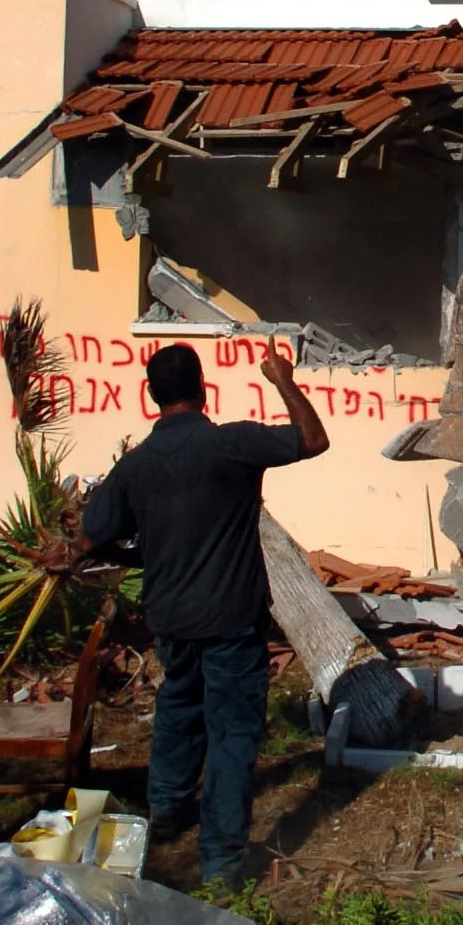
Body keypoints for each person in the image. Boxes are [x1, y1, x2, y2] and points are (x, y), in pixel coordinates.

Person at [81, 342, 327, 885]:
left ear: (151, 394)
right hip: (230, 619)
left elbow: (91, 536)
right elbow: (313, 439)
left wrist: (138, 555)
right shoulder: (231, 444)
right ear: (203, 388)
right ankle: (221, 860)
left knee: (179, 705)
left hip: (171, 618)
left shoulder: (135, 466)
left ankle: (167, 810)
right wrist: (282, 380)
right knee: (232, 734)